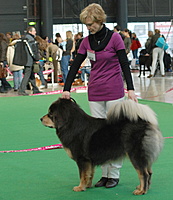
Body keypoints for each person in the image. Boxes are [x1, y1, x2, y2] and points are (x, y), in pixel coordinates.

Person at [62, 3, 137, 189]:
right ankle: (104, 175)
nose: (89, 28)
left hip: (114, 90)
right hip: (94, 91)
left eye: (91, 24)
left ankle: (114, 174)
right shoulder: (86, 42)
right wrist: (66, 88)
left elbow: (124, 64)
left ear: (100, 20)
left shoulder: (116, 39)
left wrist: (131, 89)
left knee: (113, 133)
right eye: (86, 25)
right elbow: (75, 65)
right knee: (97, 135)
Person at [18, 26, 42, 96]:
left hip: (26, 60)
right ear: (30, 31)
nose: (35, 32)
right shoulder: (30, 39)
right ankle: (21, 90)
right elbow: (33, 50)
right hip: (29, 60)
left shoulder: (24, 38)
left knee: (31, 75)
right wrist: (37, 59)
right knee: (27, 75)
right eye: (34, 31)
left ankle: (35, 89)